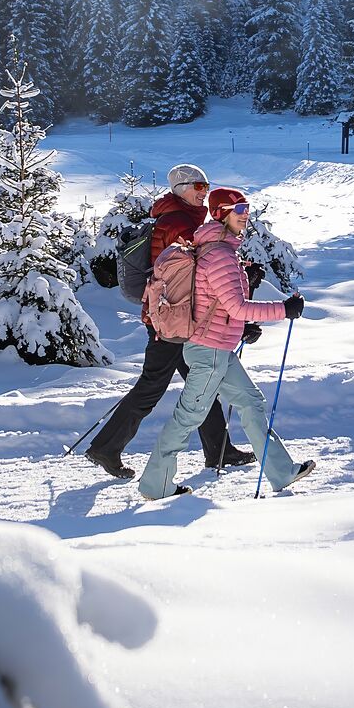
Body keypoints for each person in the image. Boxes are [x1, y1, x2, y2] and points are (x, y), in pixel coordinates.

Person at [137, 188, 312, 501]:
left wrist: (238, 325)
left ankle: (281, 471)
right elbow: (238, 308)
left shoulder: (220, 250)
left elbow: (219, 306)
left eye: (246, 208)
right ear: (220, 213)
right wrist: (283, 310)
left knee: (250, 402)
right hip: (209, 353)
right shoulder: (219, 255)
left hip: (217, 349)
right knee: (188, 416)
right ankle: (156, 484)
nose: (245, 214)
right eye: (239, 208)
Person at [82, 163, 248, 479]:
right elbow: (200, 270)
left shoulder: (179, 219)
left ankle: (219, 450)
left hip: (177, 316)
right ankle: (106, 447)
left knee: (202, 380)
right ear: (180, 189)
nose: (204, 193)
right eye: (198, 187)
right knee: (153, 386)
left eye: (206, 187)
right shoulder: (178, 223)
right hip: (172, 321)